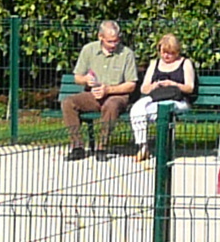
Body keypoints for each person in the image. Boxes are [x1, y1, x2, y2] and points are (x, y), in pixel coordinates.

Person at [61, 21, 137, 158]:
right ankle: (77, 146)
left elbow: (131, 85)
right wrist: (86, 80)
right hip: (93, 94)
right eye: (110, 42)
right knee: (68, 102)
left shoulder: (127, 54)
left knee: (111, 105)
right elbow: (77, 77)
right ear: (100, 37)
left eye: (116, 41)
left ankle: (102, 146)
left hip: (116, 94)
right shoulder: (88, 50)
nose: (114, 45)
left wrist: (108, 90)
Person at [129, 30, 196, 160]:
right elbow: (144, 88)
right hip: (155, 97)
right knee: (137, 109)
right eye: (164, 52)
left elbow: (190, 88)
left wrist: (173, 84)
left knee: (160, 111)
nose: (166, 56)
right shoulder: (154, 64)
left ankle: (163, 147)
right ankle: (143, 146)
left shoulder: (185, 63)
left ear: (177, 52)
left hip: (178, 100)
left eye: (171, 53)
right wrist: (154, 85)